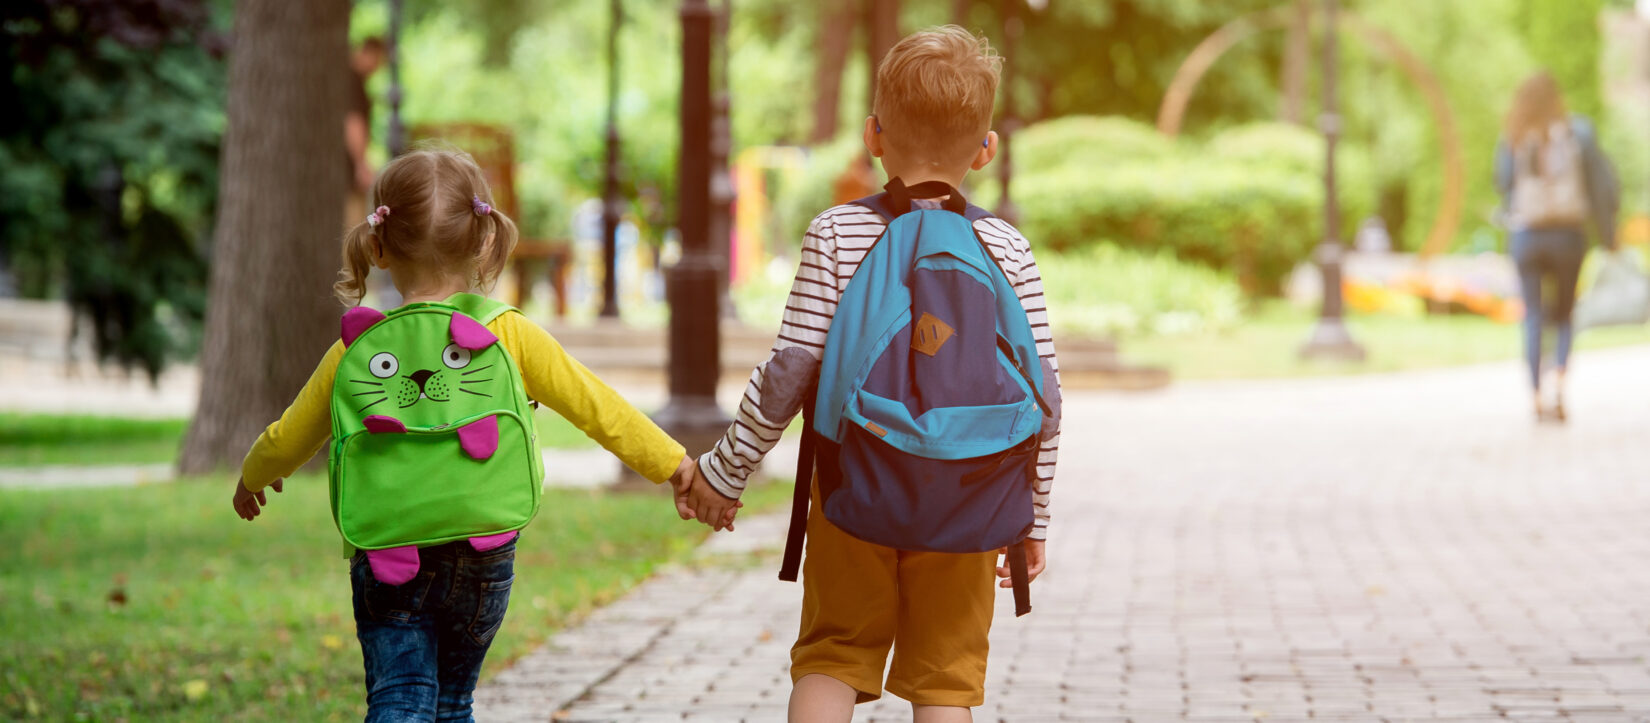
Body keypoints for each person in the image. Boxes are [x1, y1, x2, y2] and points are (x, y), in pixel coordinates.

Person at [228, 148, 726, 720]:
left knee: (400, 695)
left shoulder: (354, 349)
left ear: (380, 247)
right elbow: (598, 407)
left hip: (389, 547)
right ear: (484, 242)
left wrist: (253, 477)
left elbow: (289, 436)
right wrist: (676, 466)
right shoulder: (509, 333)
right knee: (452, 700)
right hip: (485, 547)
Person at [680, 27, 1061, 721]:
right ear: (987, 149)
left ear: (873, 135)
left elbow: (790, 369)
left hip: (854, 486)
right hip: (971, 496)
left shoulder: (836, 233)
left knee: (831, 657)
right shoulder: (1006, 246)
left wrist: (726, 471)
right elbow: (1046, 395)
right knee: (945, 682)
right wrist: (1030, 513)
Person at [1495, 71, 1620, 422]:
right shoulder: (1579, 131)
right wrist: (1609, 235)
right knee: (1564, 313)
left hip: (1528, 235)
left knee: (1533, 313)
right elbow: (1602, 187)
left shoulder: (1514, 135)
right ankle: (1558, 380)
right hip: (1568, 235)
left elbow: (1502, 182)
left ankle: (1535, 393)